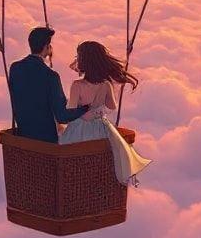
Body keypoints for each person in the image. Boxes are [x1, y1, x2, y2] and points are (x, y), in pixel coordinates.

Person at [60, 40, 151, 185]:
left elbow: (71, 110)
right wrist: (97, 111)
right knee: (100, 161)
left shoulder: (77, 85)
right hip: (100, 126)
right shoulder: (106, 84)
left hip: (80, 128)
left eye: (78, 57)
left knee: (72, 160)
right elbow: (111, 106)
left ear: (83, 61)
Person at [8, 26, 89, 143]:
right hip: (45, 140)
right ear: (47, 47)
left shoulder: (15, 68)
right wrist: (85, 108)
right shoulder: (51, 76)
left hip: (23, 134)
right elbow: (62, 117)